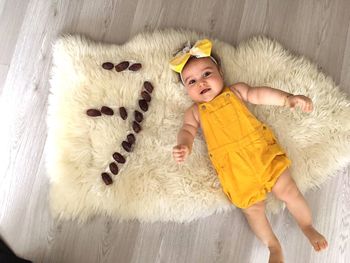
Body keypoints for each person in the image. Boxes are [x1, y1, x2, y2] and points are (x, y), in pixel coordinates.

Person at [169, 39, 328, 262]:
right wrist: (184, 145)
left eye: (207, 74)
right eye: (192, 81)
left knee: (288, 191)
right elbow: (187, 130)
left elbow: (260, 94)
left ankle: (307, 225)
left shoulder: (236, 91)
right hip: (236, 170)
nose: (201, 83)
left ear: (220, 71)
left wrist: (287, 99)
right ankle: (273, 246)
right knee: (253, 210)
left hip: (262, 154)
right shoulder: (195, 112)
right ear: (186, 90)